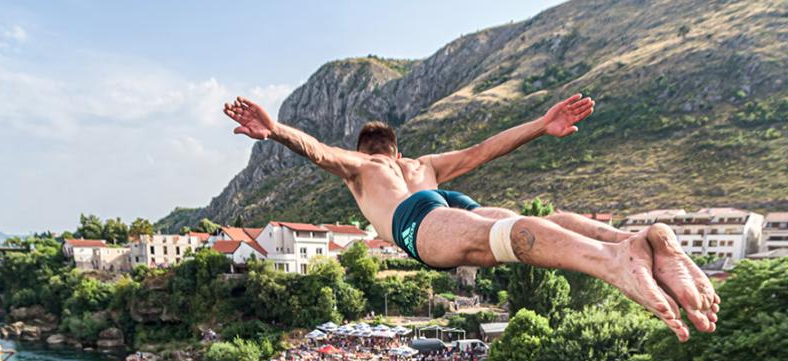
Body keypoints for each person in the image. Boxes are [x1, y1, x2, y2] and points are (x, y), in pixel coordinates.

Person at [223, 95, 719, 341]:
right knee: (533, 222)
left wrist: (277, 130)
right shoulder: (424, 165)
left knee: (506, 240)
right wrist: (543, 125)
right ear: (398, 148)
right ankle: (635, 238)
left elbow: (318, 152)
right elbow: (486, 149)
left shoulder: (363, 168)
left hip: (415, 221)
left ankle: (613, 260)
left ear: (368, 150)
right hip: (448, 197)